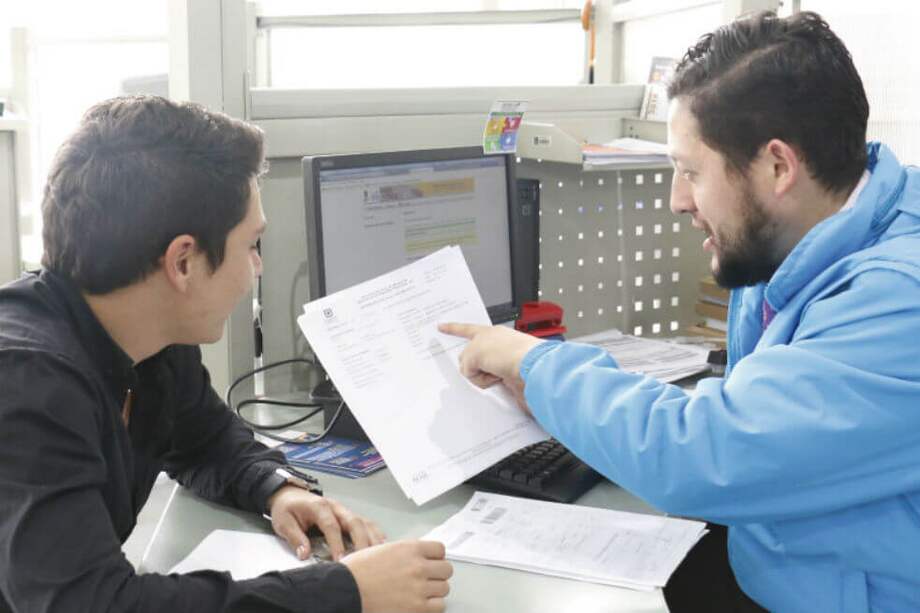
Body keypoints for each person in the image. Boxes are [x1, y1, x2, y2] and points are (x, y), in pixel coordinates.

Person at [441, 11, 920, 613]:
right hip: (789, 561)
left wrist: (541, 365)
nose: (675, 200)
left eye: (691, 171)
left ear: (778, 166)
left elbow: (709, 454)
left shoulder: (900, 301)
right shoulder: (800, 241)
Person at [0, 95, 452, 613]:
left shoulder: (149, 338)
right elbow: (90, 605)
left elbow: (207, 442)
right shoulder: (25, 384)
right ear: (183, 262)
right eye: (252, 245)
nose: (256, 268)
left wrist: (278, 491)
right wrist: (343, 593)